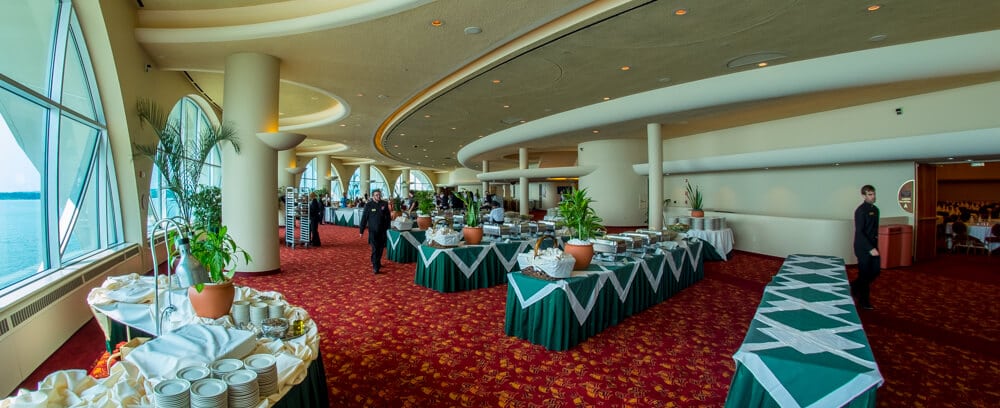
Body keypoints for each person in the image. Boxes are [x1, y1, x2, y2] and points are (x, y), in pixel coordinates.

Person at [850, 184, 880, 310]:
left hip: (873, 246)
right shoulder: (860, 211)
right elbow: (860, 232)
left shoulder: (876, 210)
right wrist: (869, 248)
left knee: (875, 271)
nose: (873, 197)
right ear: (864, 195)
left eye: (873, 194)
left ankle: (854, 286)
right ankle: (864, 301)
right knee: (865, 273)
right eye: (870, 194)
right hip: (862, 247)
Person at [360, 189, 392, 274]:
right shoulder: (369, 205)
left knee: (381, 248)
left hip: (382, 231)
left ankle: (377, 262)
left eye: (379, 195)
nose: (378, 196)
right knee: (375, 249)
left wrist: (388, 227)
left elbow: (388, 217)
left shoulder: (384, 204)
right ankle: (375, 267)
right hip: (373, 231)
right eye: (376, 195)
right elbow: (364, 218)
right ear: (372, 196)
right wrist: (361, 231)